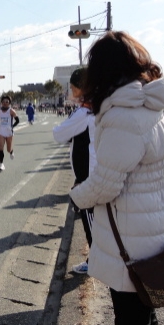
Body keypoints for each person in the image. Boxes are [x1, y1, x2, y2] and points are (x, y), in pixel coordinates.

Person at [70, 31, 164, 325]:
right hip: (151, 230)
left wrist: (77, 197)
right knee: (145, 324)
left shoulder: (123, 116)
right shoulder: (148, 106)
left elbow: (105, 185)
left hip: (131, 241)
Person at [53, 68, 96, 274]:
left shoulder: (85, 112)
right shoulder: (98, 108)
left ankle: (94, 261)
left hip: (88, 177)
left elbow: (59, 134)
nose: (71, 91)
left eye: (72, 87)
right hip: (93, 174)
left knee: (91, 221)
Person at [0, 95, 19, 171]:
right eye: (3, 102)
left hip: (9, 132)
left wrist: (12, 127)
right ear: (1, 103)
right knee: (0, 148)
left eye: (7, 102)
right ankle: (1, 164)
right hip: (1, 131)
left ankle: (11, 152)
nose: (5, 103)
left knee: (8, 149)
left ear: (9, 103)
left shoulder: (11, 111)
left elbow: (17, 121)